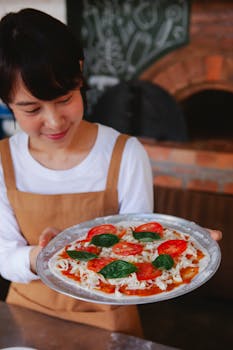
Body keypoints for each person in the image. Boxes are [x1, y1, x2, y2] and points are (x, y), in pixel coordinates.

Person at [0, 8, 221, 337]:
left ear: (80, 74)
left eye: (65, 98)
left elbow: (141, 243)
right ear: (6, 102)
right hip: (28, 315)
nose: (55, 121)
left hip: (110, 317)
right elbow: (4, 256)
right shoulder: (3, 160)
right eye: (31, 109)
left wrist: (178, 240)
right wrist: (45, 256)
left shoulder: (126, 153)